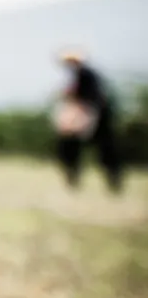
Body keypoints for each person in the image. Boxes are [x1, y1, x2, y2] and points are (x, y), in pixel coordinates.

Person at [55, 48, 124, 193]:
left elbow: (88, 99)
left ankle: (112, 182)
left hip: (94, 117)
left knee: (104, 151)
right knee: (74, 149)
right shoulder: (80, 75)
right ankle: (76, 180)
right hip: (88, 117)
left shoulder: (86, 75)